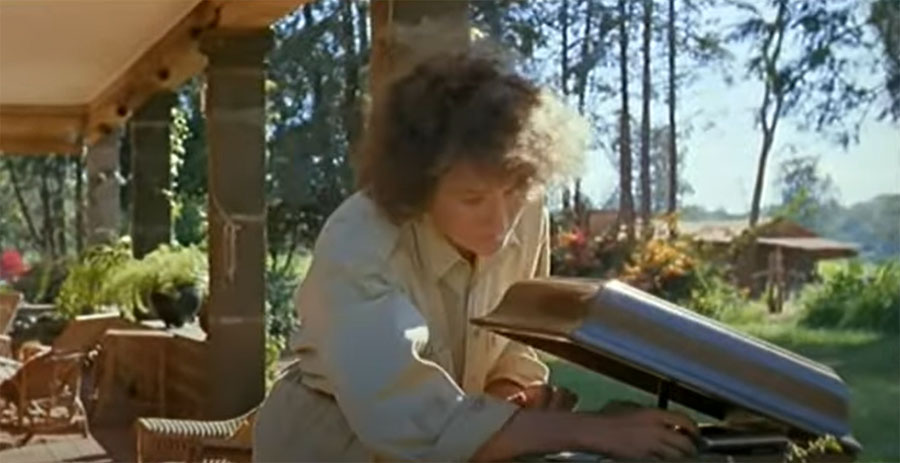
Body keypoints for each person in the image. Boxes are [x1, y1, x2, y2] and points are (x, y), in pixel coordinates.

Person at [253, 49, 699, 462]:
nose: (501, 222)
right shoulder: (358, 242)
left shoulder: (530, 213)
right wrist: (597, 431)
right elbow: (413, 421)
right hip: (333, 445)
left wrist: (509, 392)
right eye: (472, 199)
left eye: (515, 190)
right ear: (419, 187)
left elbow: (516, 341)